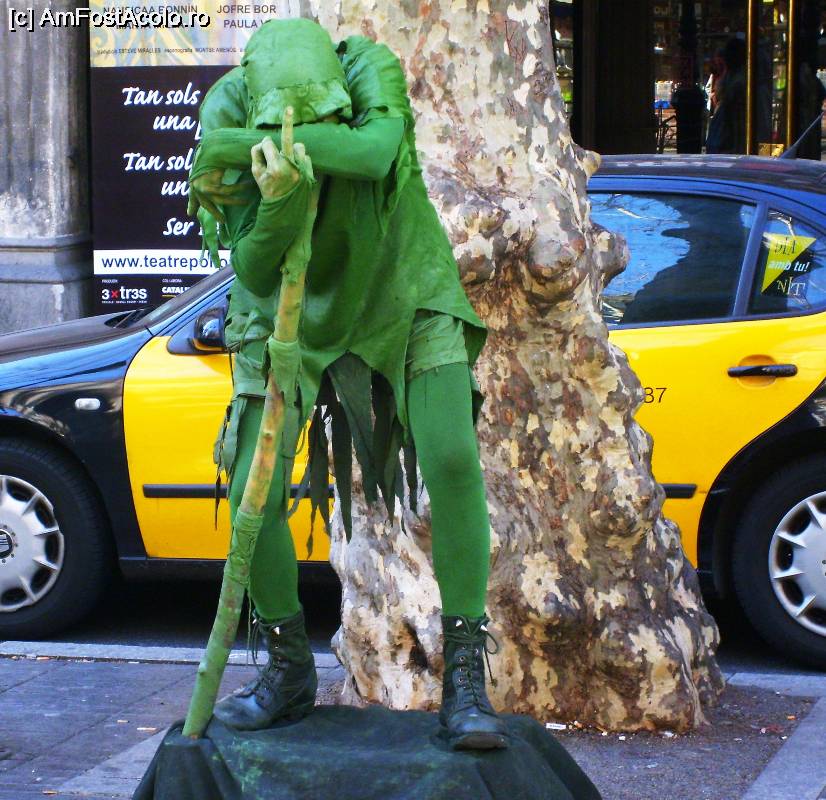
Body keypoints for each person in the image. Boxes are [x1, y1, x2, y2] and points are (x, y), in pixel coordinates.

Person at [187, 17, 508, 751]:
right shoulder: (225, 103)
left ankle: (465, 678)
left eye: (324, 112)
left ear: (339, 79)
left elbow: (374, 152)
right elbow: (253, 268)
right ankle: (288, 670)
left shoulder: (368, 64)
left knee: (453, 458)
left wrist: (255, 147)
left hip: (404, 282)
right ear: (251, 92)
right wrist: (279, 200)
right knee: (252, 489)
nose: (306, 123)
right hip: (280, 305)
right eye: (279, 115)